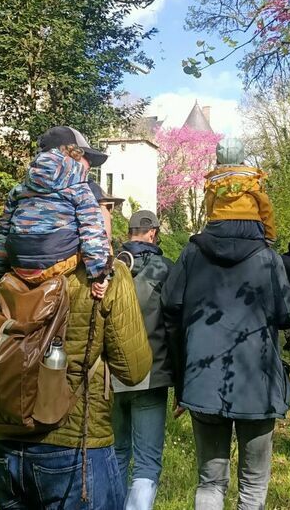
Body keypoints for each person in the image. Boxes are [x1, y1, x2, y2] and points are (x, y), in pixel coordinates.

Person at [0, 195, 154, 509]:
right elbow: (134, 370)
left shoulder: (5, 274)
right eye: (103, 211)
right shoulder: (106, 276)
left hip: (6, 446)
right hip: (77, 449)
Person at [162, 221, 290, 509]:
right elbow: (287, 316)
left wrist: (180, 374)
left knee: (210, 482)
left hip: (202, 380)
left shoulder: (192, 253)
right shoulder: (268, 258)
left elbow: (170, 307)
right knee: (253, 483)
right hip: (257, 385)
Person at [0, 126, 112, 299]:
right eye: (86, 157)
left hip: (18, 264)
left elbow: (2, 231)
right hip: (55, 263)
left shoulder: (21, 188)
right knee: (106, 249)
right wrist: (100, 275)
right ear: (73, 155)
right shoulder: (79, 186)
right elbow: (92, 229)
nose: (89, 164)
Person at [112, 210, 174, 510]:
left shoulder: (109, 266)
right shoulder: (165, 269)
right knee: (147, 462)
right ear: (152, 233)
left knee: (117, 454)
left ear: (130, 231)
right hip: (152, 374)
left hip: (111, 375)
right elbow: (175, 325)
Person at [203, 138, 277, 243]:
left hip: (220, 223)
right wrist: (270, 235)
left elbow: (209, 206)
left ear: (218, 159)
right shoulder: (252, 178)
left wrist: (212, 220)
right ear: (242, 159)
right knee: (259, 250)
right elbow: (265, 206)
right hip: (251, 224)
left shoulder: (214, 180)